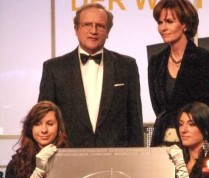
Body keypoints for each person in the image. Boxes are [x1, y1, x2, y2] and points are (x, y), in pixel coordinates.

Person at [38, 3, 144, 148]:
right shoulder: (54, 68)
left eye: (100, 26)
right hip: (67, 158)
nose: (93, 31)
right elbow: (44, 119)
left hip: (117, 160)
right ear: (76, 29)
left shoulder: (126, 66)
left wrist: (136, 160)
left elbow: (135, 120)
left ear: (108, 31)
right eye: (87, 24)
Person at [148, 0, 209, 147]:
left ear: (185, 24)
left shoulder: (205, 60)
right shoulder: (156, 62)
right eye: (160, 22)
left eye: (169, 21)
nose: (163, 28)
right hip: (162, 144)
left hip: (195, 148)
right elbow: (159, 108)